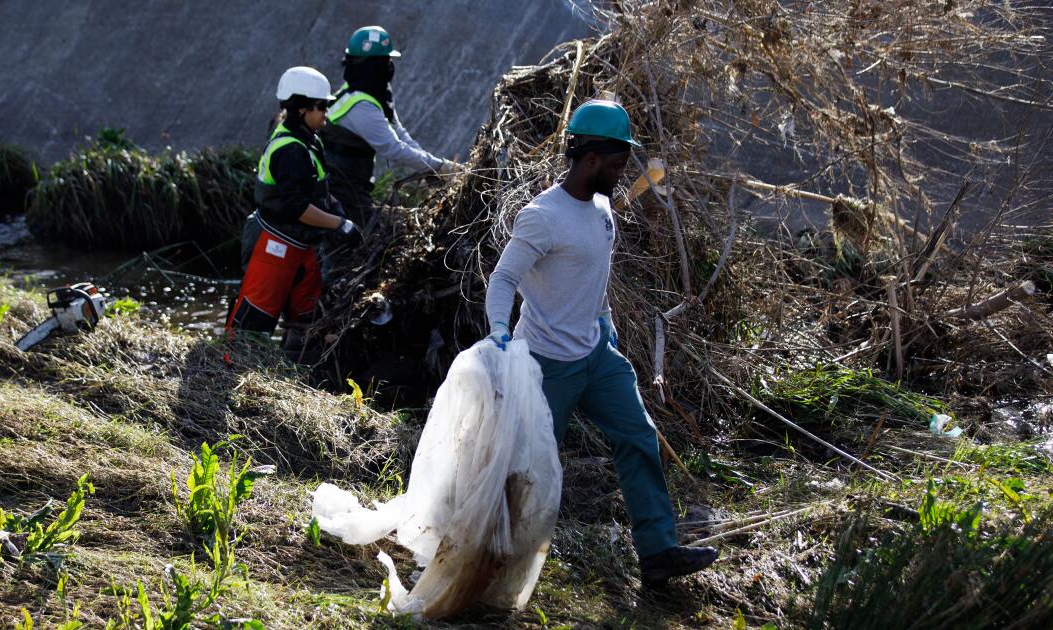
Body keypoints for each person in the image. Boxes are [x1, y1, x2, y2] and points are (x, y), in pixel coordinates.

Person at [483, 99, 719, 590]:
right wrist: (500, 332)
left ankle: (657, 552)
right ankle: (489, 556)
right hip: (547, 365)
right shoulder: (542, 217)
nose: (622, 172)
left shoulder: (602, 207)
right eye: (616, 163)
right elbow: (504, 278)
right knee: (526, 465)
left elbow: (594, 278)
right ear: (590, 159)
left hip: (596, 355)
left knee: (638, 437)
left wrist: (605, 320)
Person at [227, 67, 361, 355]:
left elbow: (313, 188)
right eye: (322, 107)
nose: (326, 113)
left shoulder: (306, 139)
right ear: (301, 109)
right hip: (273, 245)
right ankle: (227, 372)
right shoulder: (290, 150)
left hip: (300, 244)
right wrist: (339, 224)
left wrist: (333, 207)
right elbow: (297, 207)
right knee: (252, 324)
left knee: (307, 320)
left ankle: (297, 373)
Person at [319, 25, 462, 228]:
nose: (390, 65)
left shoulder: (373, 92)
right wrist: (440, 166)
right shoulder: (361, 106)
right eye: (386, 60)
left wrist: (430, 166)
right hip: (340, 189)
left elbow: (399, 132)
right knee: (366, 232)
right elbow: (392, 148)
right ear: (372, 65)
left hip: (354, 184)